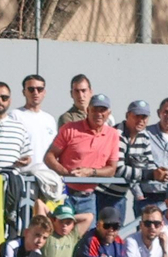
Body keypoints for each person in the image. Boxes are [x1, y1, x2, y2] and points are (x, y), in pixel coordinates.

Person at [46, 95, 119, 236]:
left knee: (86, 240)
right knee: (60, 237)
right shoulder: (70, 129)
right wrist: (66, 173)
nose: (98, 114)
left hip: (89, 196)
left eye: (102, 110)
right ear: (88, 110)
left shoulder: (113, 135)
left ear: (108, 113)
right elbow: (49, 156)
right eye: (95, 109)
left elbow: (112, 169)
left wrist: (90, 172)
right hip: (65, 193)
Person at [9, 74, 58, 168]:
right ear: (24, 92)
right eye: (31, 89)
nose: (35, 92)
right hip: (24, 175)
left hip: (47, 175)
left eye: (39, 89)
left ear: (44, 92)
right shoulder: (15, 115)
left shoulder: (49, 119)